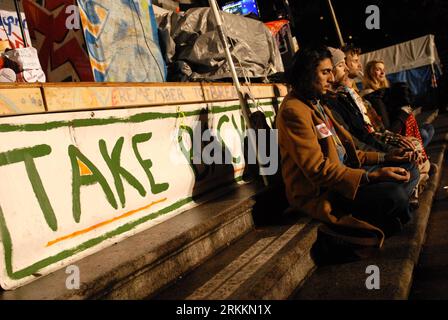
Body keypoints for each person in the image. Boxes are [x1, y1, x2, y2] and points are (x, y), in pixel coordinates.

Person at [276, 46, 419, 246]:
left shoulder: (317, 103)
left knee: (410, 168)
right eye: (325, 72)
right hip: (326, 192)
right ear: (307, 74)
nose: (332, 78)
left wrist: (386, 158)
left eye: (331, 72)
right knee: (394, 195)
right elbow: (318, 171)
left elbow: (345, 151)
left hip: (346, 173)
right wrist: (371, 176)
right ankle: (387, 213)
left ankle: (391, 213)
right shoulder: (293, 111)